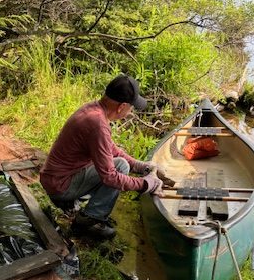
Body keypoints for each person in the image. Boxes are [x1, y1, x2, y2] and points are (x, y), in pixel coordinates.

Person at [40, 74, 174, 239]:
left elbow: (110, 149)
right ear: (122, 107)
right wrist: (147, 184)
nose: (130, 111)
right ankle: (88, 220)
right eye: (131, 107)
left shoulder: (93, 110)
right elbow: (110, 177)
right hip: (60, 185)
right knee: (120, 167)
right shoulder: (97, 124)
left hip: (57, 178)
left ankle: (76, 205)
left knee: (122, 163)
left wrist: (143, 166)